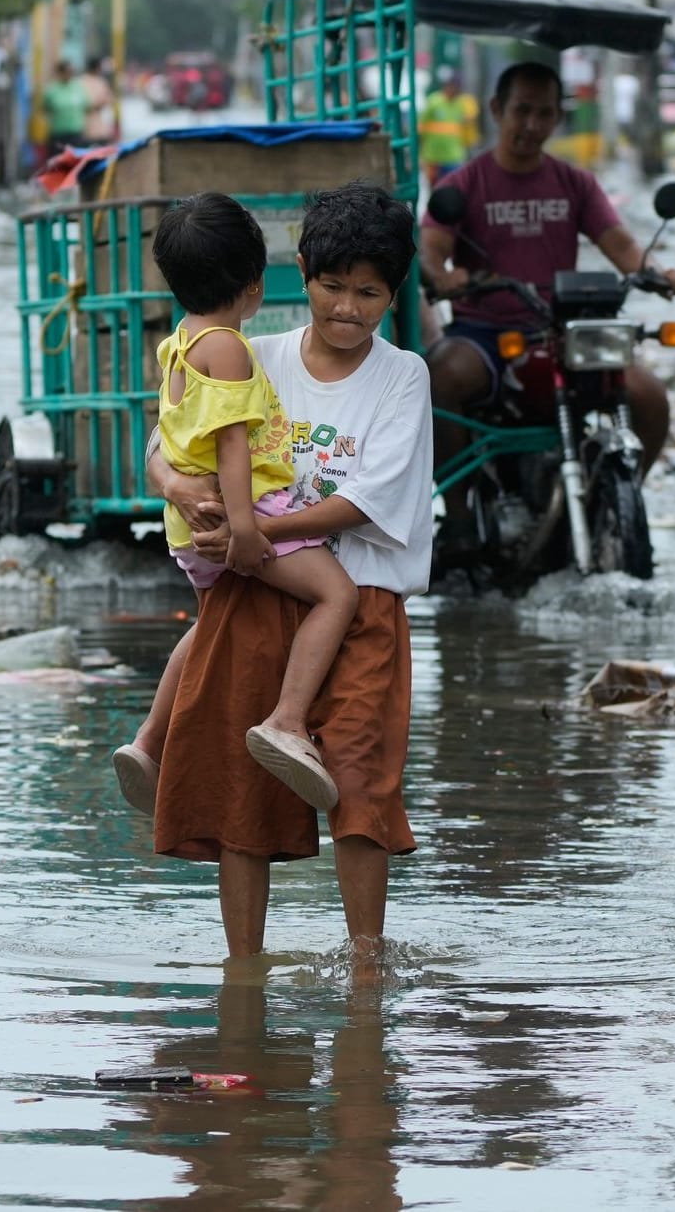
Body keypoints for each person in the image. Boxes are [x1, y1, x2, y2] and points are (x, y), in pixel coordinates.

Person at [142, 182, 431, 962]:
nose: (347, 307)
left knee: (360, 780)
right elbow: (165, 445)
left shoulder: (403, 377)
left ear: (392, 294)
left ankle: (364, 960)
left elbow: (367, 501)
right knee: (246, 793)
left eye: (368, 293)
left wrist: (251, 534)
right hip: (255, 593)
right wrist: (184, 496)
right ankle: (245, 967)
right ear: (299, 275)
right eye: (332, 287)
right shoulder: (249, 352)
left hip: (361, 596)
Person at [113, 193, 360, 815]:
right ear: (254, 285)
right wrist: (251, 534)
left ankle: (148, 742)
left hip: (187, 528)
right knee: (337, 596)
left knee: (207, 628)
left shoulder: (177, 342)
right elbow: (231, 446)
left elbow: (168, 433)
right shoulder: (228, 347)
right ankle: (287, 719)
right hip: (239, 518)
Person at [419, 60, 675, 558]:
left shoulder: (576, 183)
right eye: (521, 111)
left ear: (557, 118)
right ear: (496, 111)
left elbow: (621, 245)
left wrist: (660, 275)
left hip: (561, 332)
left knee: (650, 397)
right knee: (441, 376)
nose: (531, 125)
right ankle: (459, 520)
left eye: (544, 114)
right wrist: (444, 276)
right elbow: (430, 248)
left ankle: (617, 499)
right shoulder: (464, 184)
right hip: (487, 334)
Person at [417, 65, 479, 188]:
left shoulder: (462, 103)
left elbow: (471, 118)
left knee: (454, 187)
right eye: (453, 85)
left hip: (454, 156)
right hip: (433, 156)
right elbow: (420, 127)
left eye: (457, 87)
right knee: (434, 189)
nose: (455, 90)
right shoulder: (434, 101)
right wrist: (421, 154)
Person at [41, 59, 91, 155]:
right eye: (67, 72)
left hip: (76, 133)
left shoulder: (78, 87)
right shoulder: (52, 89)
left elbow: (86, 106)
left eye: (71, 72)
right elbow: (45, 108)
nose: (69, 75)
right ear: (60, 72)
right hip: (58, 134)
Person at [80, 55, 116, 147]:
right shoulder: (99, 82)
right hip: (88, 129)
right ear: (98, 68)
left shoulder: (80, 81)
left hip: (96, 128)